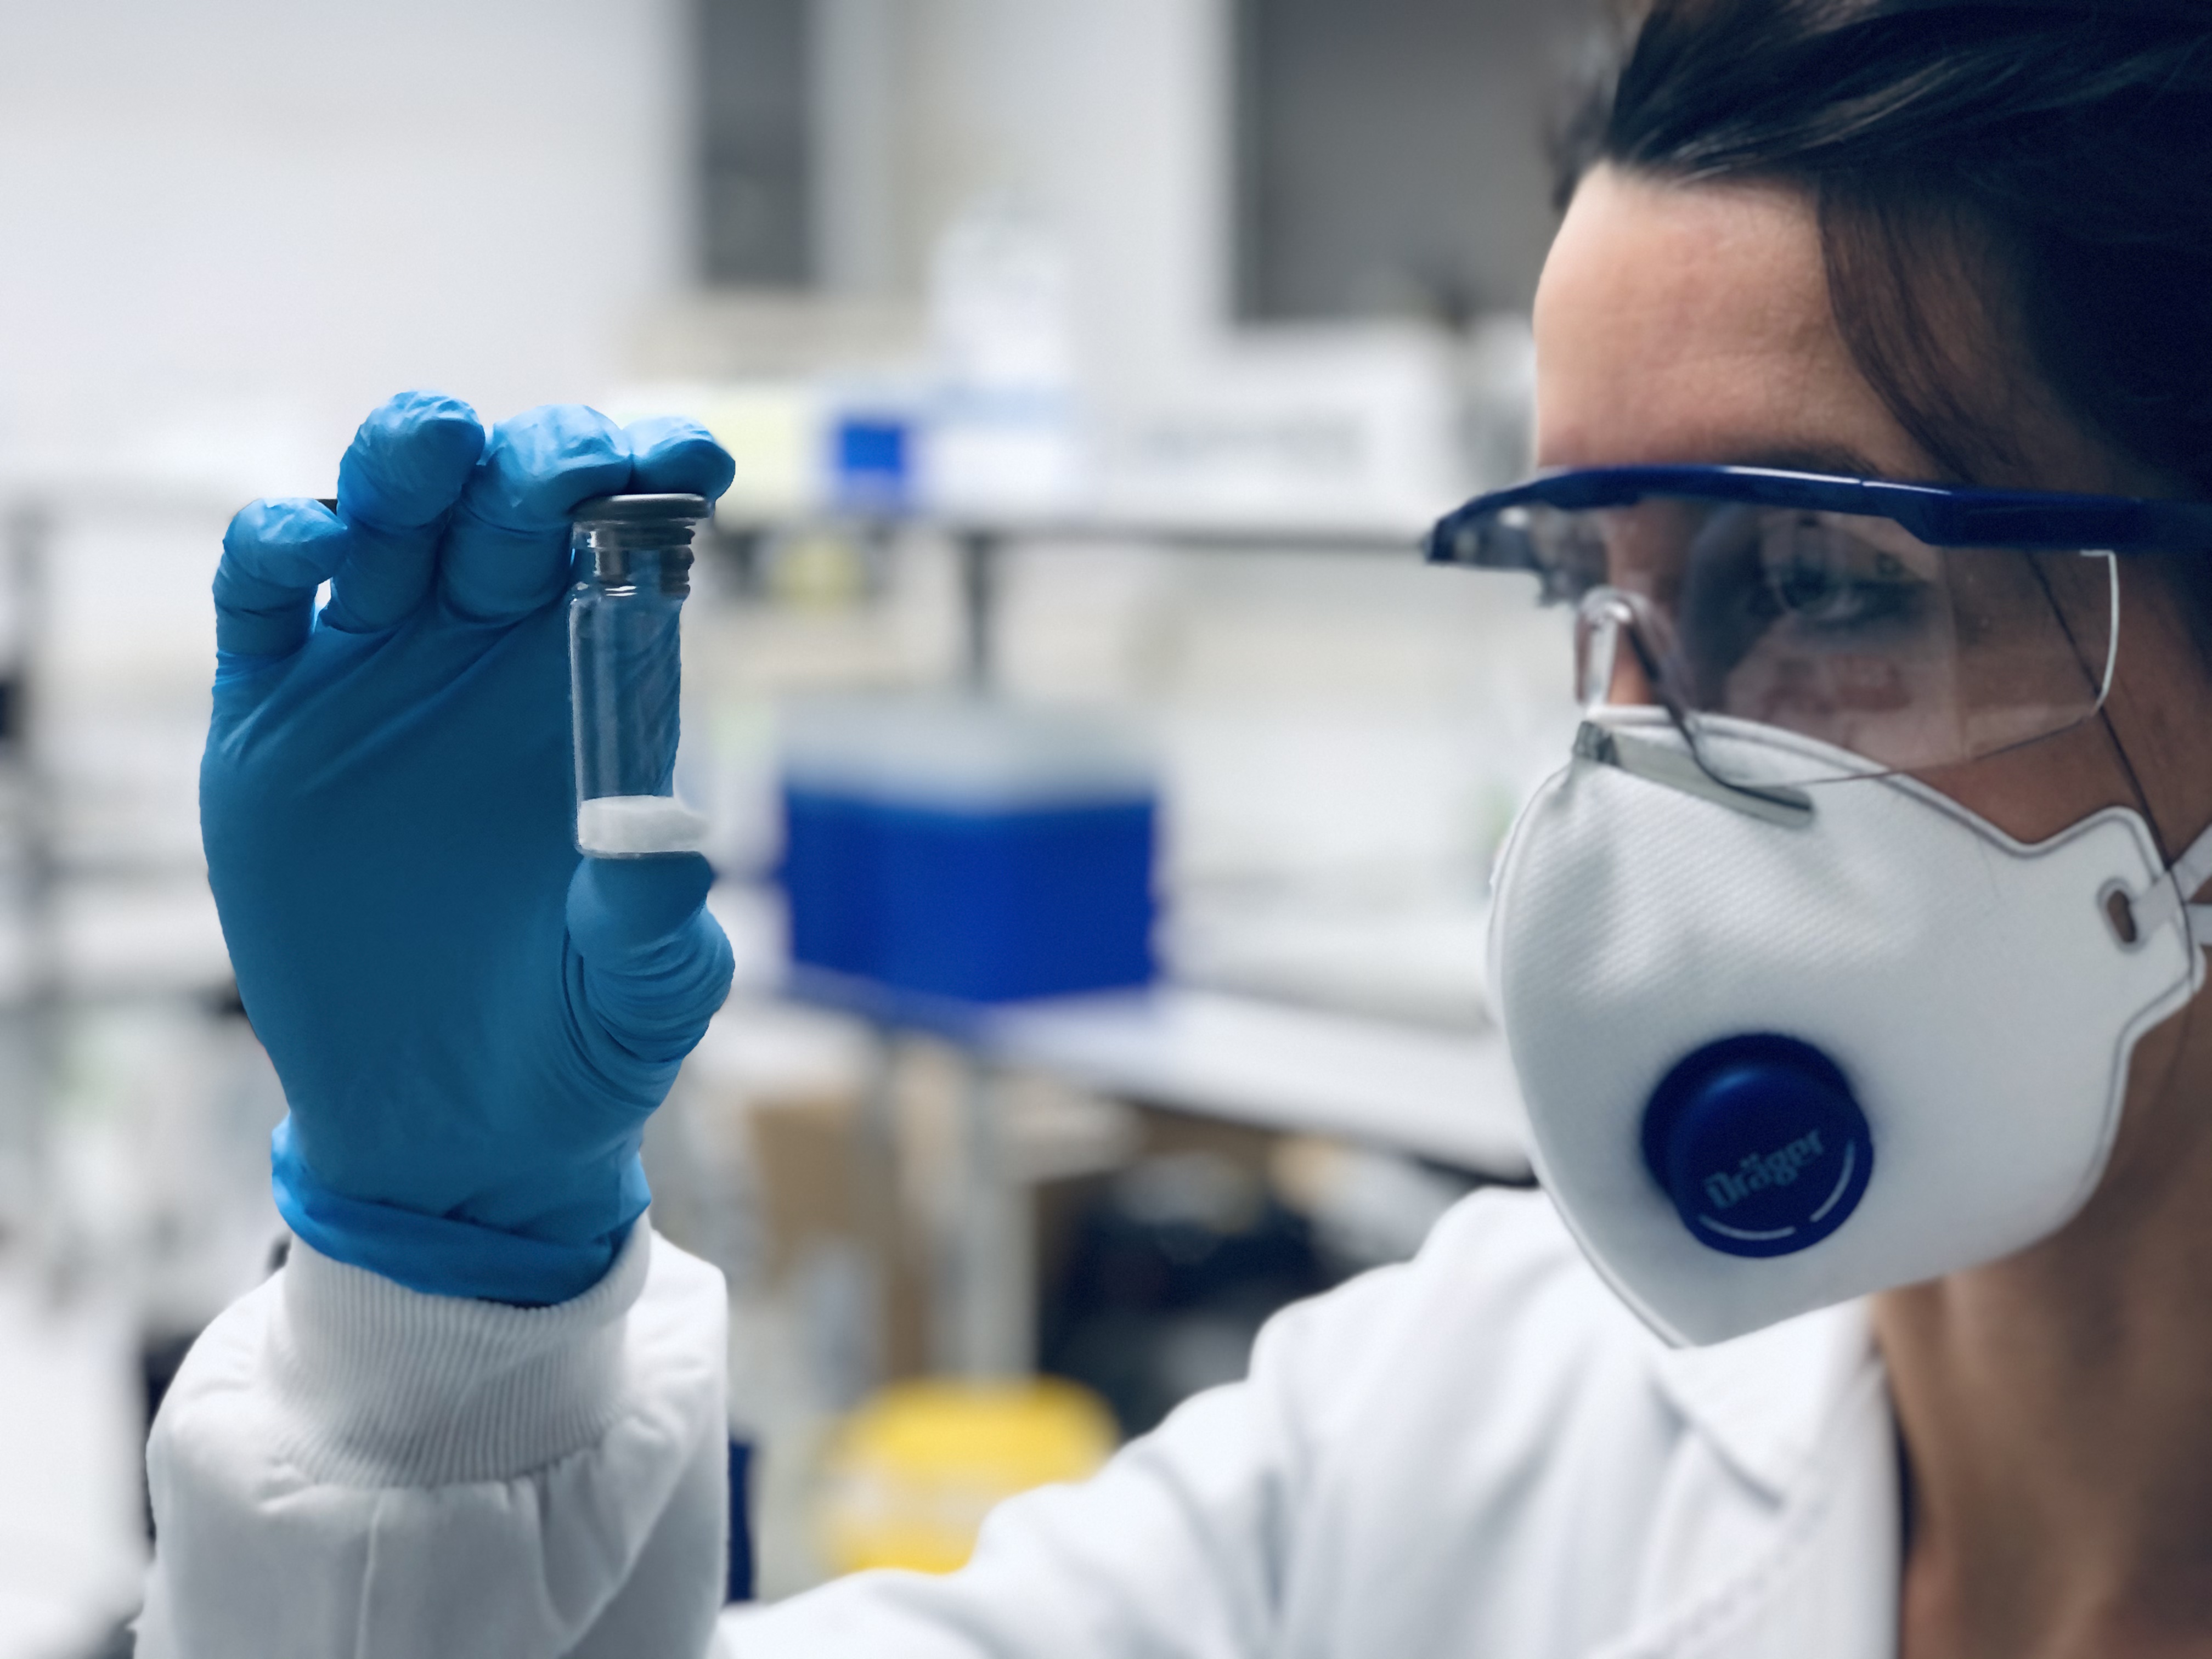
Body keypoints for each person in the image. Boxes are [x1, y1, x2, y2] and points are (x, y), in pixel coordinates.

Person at [142, 1, 2212, 1654]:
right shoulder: (1459, 1430)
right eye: (1586, 587)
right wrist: (451, 1320)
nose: (1636, 781)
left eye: (1827, 580)